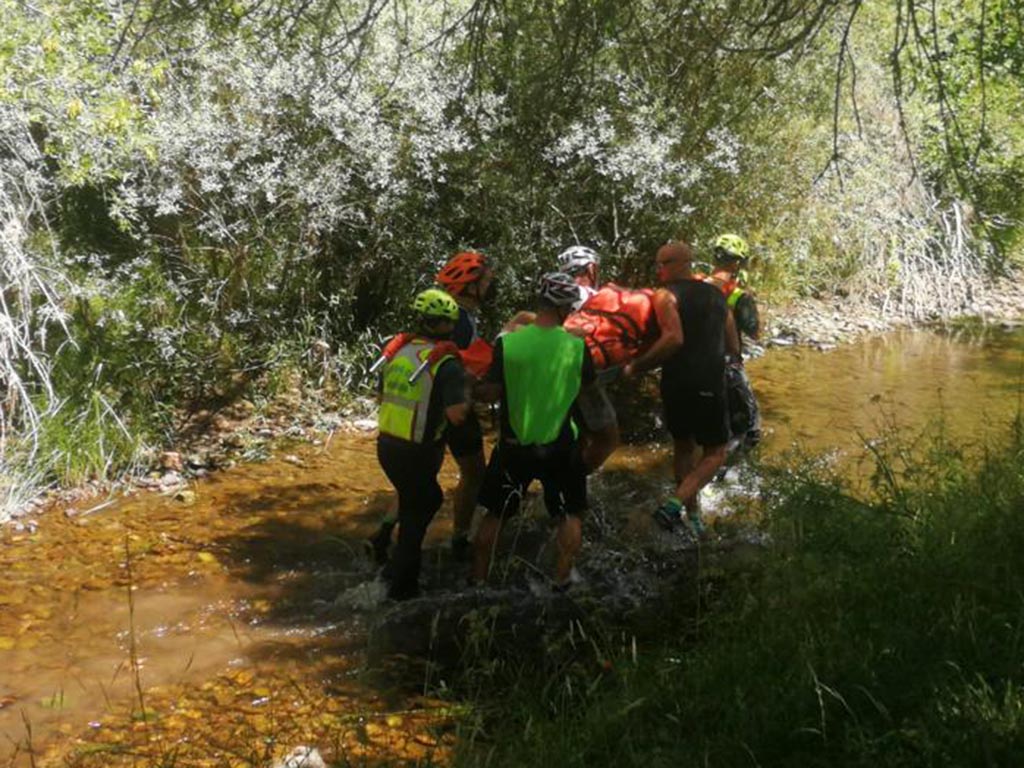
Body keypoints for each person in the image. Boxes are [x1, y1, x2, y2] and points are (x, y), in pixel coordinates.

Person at [472, 272, 596, 591]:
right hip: (561, 446)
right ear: (563, 308)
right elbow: (587, 388)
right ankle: (562, 579)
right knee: (570, 514)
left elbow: (492, 392)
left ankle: (478, 581)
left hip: (514, 446)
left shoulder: (508, 343)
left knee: (495, 514)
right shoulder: (577, 347)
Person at [369, 251, 493, 563]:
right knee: (474, 472)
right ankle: (460, 539)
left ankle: (384, 532)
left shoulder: (448, 316)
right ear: (469, 286)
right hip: (448, 408)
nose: (492, 287)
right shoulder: (458, 323)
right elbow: (456, 371)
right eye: (487, 282)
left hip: (415, 416)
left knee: (417, 481)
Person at [375, 289, 469, 600]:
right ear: (447, 324)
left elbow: (384, 393)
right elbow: (456, 416)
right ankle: (401, 589)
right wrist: (470, 397)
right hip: (418, 450)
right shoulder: (447, 364)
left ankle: (385, 555)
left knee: (417, 499)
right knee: (422, 507)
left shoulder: (398, 351)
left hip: (388, 445)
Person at [557, 245, 684, 472]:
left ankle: (566, 476)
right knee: (608, 440)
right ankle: (573, 484)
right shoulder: (592, 295)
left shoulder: (558, 294)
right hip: (586, 372)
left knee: (577, 433)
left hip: (555, 368)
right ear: (592, 268)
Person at [651, 241, 740, 535]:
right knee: (716, 452)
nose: (659, 269)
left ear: (681, 263)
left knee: (683, 448)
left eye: (663, 263)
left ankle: (694, 517)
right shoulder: (714, 295)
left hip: (674, 383)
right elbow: (732, 340)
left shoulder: (665, 295)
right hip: (707, 384)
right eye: (658, 263)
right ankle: (674, 505)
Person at [704, 234, 762, 448]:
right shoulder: (738, 295)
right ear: (737, 263)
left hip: (691, 365)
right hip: (727, 367)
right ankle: (732, 476)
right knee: (749, 429)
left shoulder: (693, 285)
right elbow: (755, 332)